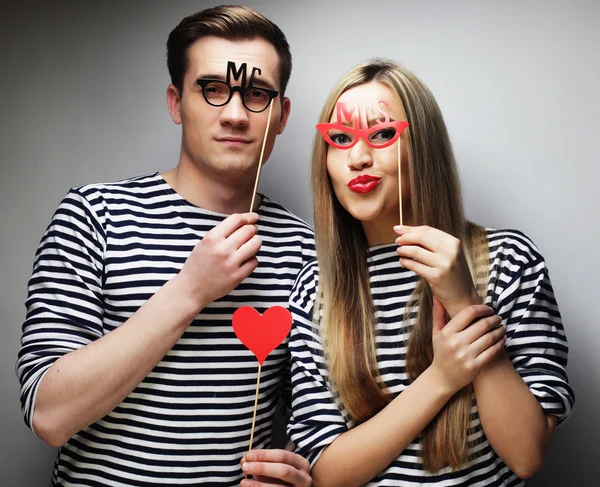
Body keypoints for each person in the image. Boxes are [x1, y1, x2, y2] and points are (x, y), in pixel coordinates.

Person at [16, 5, 313, 486]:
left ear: (280, 115)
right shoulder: (95, 215)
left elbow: (315, 422)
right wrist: (190, 290)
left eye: (257, 94)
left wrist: (290, 471)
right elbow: (48, 415)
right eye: (213, 90)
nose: (236, 114)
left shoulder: (304, 249)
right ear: (176, 103)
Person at [282, 59, 574, 486]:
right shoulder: (314, 292)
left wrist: (462, 301)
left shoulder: (510, 260)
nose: (358, 157)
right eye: (340, 139)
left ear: (423, 145)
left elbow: (527, 454)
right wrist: (441, 378)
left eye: (382, 135)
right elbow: (326, 475)